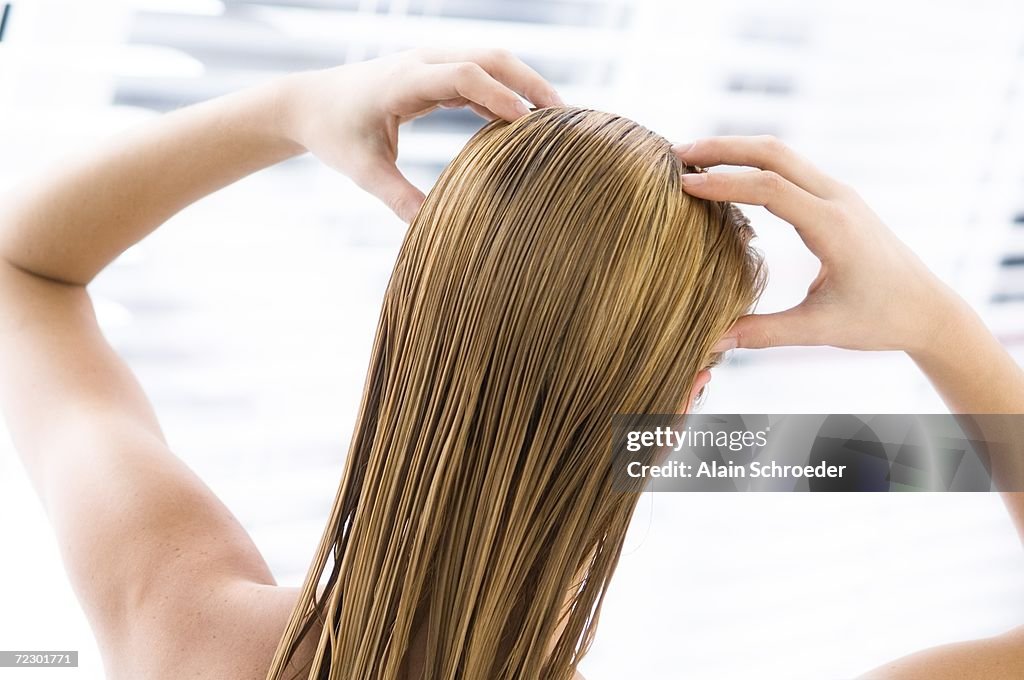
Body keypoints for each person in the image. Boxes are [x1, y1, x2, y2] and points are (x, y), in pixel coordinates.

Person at [0, 48, 1020, 680]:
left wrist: (296, 108)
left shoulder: (179, 625)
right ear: (683, 403)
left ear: (408, 312)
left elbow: (24, 268)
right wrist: (934, 321)